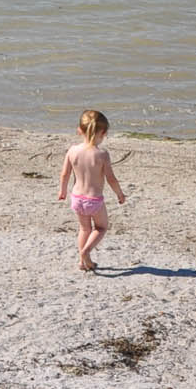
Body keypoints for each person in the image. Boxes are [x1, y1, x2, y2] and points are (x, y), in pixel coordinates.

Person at [57, 109, 126, 273]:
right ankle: (86, 252)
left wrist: (63, 191)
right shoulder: (101, 154)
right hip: (94, 200)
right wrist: (120, 194)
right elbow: (111, 179)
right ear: (103, 132)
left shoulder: (72, 150)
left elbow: (64, 173)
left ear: (79, 130)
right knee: (101, 228)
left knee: (84, 229)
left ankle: (82, 262)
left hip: (77, 198)